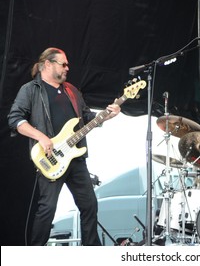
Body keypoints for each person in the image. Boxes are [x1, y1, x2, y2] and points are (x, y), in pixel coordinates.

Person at [7, 47, 121, 246]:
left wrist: (107, 115)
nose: (68, 68)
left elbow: (86, 118)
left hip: (75, 158)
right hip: (50, 158)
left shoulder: (72, 90)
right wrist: (41, 136)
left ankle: (92, 251)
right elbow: (15, 119)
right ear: (48, 64)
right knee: (47, 209)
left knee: (89, 205)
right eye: (63, 64)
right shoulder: (31, 90)